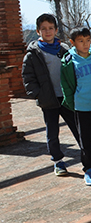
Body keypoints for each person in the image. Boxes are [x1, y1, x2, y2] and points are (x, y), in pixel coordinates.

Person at [22, 13, 80, 176]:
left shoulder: (64, 50)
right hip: (48, 99)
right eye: (44, 29)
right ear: (38, 31)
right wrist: (37, 94)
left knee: (78, 127)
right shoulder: (33, 53)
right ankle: (58, 161)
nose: (47, 32)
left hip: (67, 98)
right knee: (52, 132)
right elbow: (28, 76)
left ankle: (87, 156)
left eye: (51, 28)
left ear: (55, 30)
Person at [60, 27, 91, 186]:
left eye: (88, 40)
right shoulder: (68, 60)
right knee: (86, 140)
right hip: (81, 107)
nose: (85, 44)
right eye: (81, 41)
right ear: (72, 42)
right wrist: (72, 103)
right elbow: (66, 85)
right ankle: (89, 168)